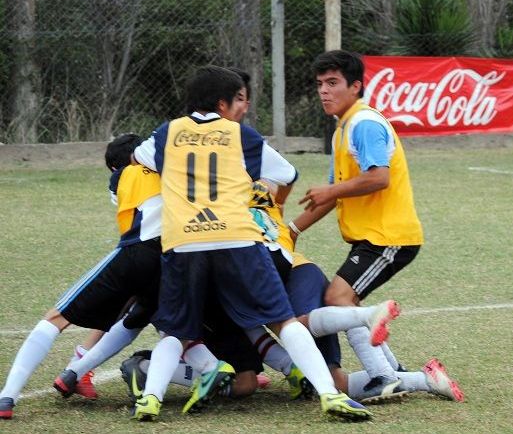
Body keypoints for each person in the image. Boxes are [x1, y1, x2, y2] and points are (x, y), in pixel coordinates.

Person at [130, 65, 371, 421]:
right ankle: (329, 395)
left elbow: (137, 156)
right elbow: (286, 174)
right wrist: (266, 196)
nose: (241, 108)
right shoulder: (240, 134)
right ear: (222, 104)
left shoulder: (168, 132)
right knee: (283, 321)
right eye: (237, 100)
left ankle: (150, 398)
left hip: (183, 241)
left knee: (177, 329)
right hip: (237, 238)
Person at [290, 49, 425, 399]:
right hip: (373, 238)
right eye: (320, 84)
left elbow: (379, 177)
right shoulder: (344, 129)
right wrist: (292, 230)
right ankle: (395, 372)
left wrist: (331, 190)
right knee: (345, 302)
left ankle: (383, 376)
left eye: (333, 82)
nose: (324, 91)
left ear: (355, 86)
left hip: (389, 237)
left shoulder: (363, 124)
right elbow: (331, 196)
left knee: (338, 297)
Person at [0, 134, 162, 420]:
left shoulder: (122, 176)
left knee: (56, 318)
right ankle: (77, 370)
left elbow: (122, 195)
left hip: (136, 252)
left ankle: (7, 396)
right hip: (173, 262)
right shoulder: (172, 171)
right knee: (140, 319)